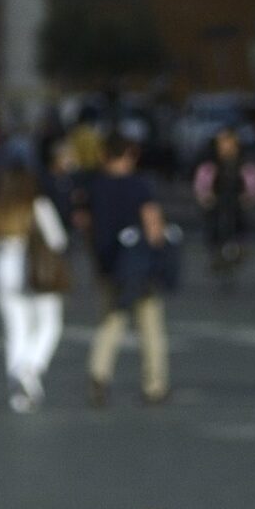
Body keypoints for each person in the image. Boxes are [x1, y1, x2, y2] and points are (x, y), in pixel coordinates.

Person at [85, 137, 175, 407]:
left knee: (110, 321)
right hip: (139, 265)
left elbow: (88, 226)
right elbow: (153, 224)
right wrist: (159, 257)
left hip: (109, 264)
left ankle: (99, 374)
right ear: (130, 155)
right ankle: (154, 384)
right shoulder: (139, 186)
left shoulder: (95, 186)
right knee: (150, 327)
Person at [0, 168, 70, 412]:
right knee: (49, 324)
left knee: (15, 331)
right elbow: (58, 239)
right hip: (36, 269)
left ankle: (19, 393)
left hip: (4, 270)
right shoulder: (38, 204)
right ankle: (31, 368)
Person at [194, 127, 255, 293]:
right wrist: (206, 197)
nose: (224, 147)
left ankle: (235, 256)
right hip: (217, 205)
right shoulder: (211, 165)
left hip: (236, 204)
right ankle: (218, 258)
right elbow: (202, 183)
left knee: (241, 232)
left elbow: (254, 183)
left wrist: (250, 197)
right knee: (214, 232)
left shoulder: (244, 164)